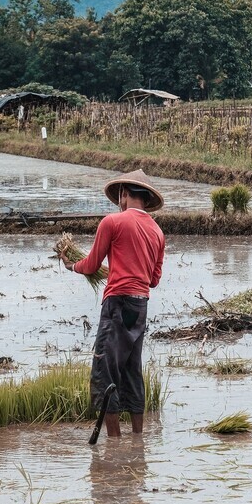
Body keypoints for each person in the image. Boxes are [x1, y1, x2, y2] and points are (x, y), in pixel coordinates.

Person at [60, 169, 165, 439]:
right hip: (140, 306)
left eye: (120, 196)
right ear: (146, 198)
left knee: (105, 370)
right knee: (132, 370)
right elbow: (153, 280)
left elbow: (92, 264)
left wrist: (71, 265)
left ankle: (115, 442)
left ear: (124, 194)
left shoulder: (112, 222)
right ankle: (138, 440)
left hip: (117, 303)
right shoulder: (157, 232)